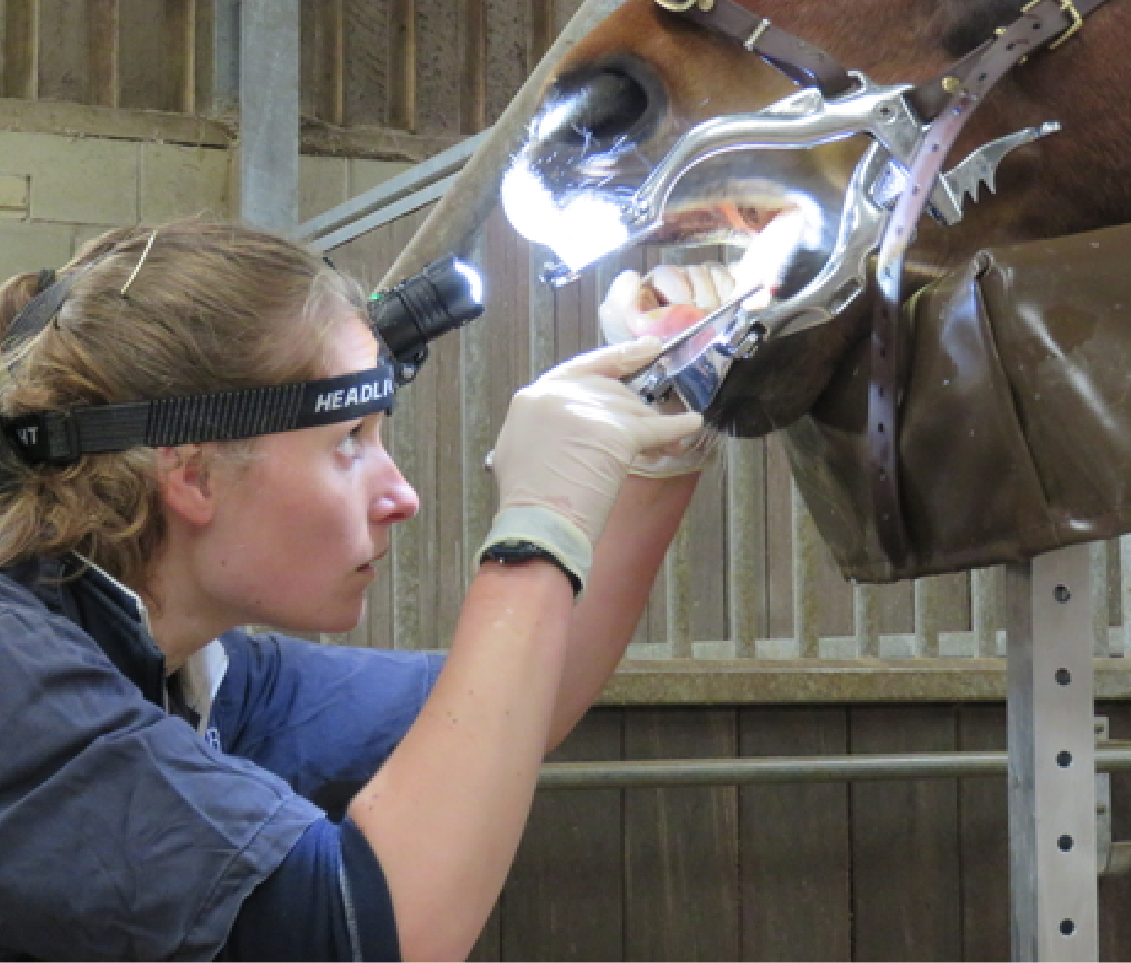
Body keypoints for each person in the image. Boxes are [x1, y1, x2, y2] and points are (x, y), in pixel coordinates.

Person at [0, 220, 719, 963]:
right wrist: (537, 529)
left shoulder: (196, 671)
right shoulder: (15, 681)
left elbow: (518, 701)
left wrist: (671, 406)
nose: (402, 495)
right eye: (348, 439)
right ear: (195, 475)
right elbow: (372, 931)